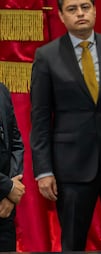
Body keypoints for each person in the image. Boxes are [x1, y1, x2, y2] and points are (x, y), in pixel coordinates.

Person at [30, 0, 101, 250]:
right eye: (72, 9)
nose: (80, 14)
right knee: (73, 242)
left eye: (85, 7)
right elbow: (41, 118)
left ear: (95, 10)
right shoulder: (46, 56)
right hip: (71, 166)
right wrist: (44, 171)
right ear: (61, 16)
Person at [0, 83, 25, 251]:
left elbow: (16, 144)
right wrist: (7, 187)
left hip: (4, 210)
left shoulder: (2, 90)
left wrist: (10, 194)